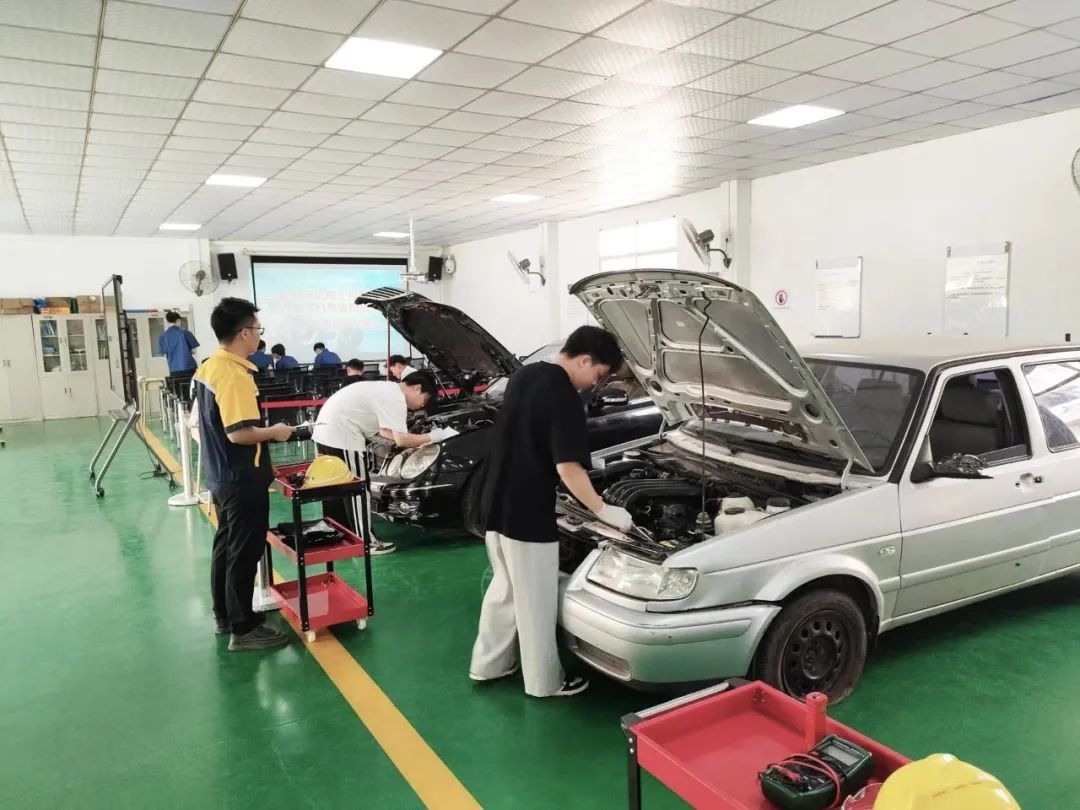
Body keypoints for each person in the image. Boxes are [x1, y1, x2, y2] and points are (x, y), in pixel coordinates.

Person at [469, 326, 633, 698]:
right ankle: (545, 683)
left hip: (495, 501)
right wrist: (603, 509)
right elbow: (568, 468)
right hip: (527, 511)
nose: (595, 383)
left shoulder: (525, 375)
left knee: (505, 590)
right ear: (585, 360)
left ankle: (488, 664)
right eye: (599, 374)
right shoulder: (563, 395)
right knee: (536, 600)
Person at [193, 297, 295, 651]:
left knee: (226, 547)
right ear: (243, 333)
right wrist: (276, 432)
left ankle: (225, 616)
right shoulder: (234, 376)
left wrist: (266, 459)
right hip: (241, 479)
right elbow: (239, 433)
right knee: (244, 551)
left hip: (222, 475)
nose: (259, 335)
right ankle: (244, 627)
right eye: (257, 328)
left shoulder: (210, 367)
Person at [312, 371, 441, 555]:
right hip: (343, 435)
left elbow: (384, 432)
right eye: (425, 398)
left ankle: (341, 535)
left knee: (336, 488)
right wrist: (433, 436)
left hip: (324, 432)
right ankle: (366, 543)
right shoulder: (396, 398)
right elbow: (401, 439)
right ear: (417, 388)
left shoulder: (386, 389)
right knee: (357, 489)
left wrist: (415, 441)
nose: (423, 405)